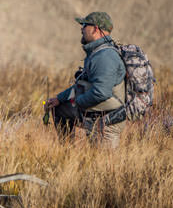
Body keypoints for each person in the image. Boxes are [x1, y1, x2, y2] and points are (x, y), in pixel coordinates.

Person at [45, 11, 127, 147]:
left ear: (95, 29)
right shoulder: (96, 53)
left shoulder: (105, 57)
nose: (81, 29)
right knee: (59, 108)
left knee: (102, 166)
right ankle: (66, 152)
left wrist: (77, 102)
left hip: (106, 122)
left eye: (84, 25)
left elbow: (101, 92)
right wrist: (59, 99)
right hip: (94, 114)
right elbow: (83, 84)